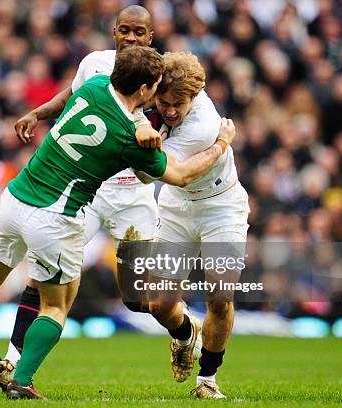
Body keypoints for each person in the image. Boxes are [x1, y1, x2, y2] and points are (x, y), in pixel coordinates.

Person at [0, 46, 236, 400]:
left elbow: (76, 97)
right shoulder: (131, 136)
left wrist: (37, 113)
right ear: (143, 91)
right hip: (55, 215)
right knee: (55, 305)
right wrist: (222, 142)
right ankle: (21, 378)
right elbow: (179, 173)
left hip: (16, 197)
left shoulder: (93, 85)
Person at [0, 5, 201, 390]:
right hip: (87, 192)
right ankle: (12, 363)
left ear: (150, 38)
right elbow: (72, 95)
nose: (130, 38)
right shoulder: (95, 64)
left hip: (133, 195)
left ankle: (185, 329)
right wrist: (38, 113)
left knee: (137, 298)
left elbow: (186, 109)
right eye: (124, 31)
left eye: (138, 33)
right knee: (44, 276)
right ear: (114, 33)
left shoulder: (161, 78)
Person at [144, 52, 250, 399]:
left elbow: (167, 172)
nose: (171, 110)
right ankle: (186, 332)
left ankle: (207, 380)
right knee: (158, 304)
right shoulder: (149, 97)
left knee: (219, 297)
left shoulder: (203, 126)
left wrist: (220, 144)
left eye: (179, 103)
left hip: (221, 206)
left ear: (195, 96)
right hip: (177, 208)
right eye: (164, 102)